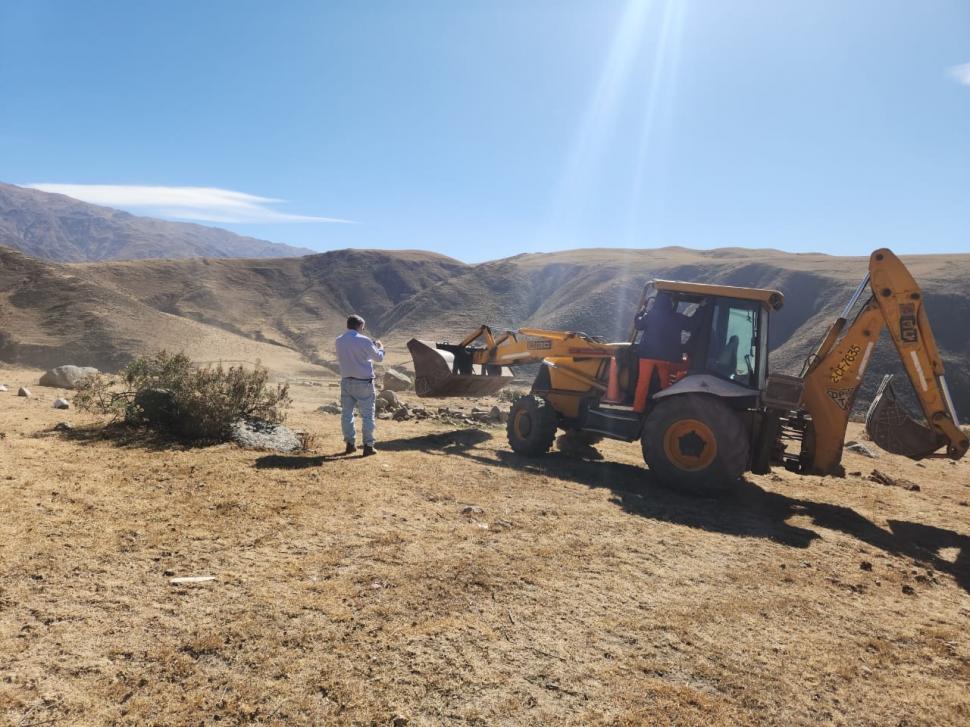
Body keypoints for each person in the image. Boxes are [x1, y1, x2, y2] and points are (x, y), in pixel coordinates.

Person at [631, 292, 699, 412]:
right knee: (665, 384)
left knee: (643, 383)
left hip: (646, 356)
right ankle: (665, 409)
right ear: (670, 304)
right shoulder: (677, 317)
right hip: (665, 358)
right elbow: (692, 325)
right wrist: (702, 309)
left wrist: (640, 313)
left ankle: (638, 409)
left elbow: (638, 325)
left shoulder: (650, 315)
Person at [334, 314, 385, 456]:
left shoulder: (339, 340)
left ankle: (350, 444)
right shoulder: (364, 340)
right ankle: (368, 445)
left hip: (346, 381)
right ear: (360, 325)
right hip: (364, 382)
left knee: (346, 414)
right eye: (363, 327)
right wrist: (380, 347)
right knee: (368, 415)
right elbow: (379, 358)